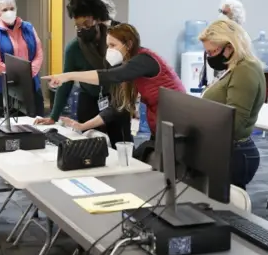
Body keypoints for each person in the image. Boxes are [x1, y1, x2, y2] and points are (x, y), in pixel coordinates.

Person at [42, 23, 186, 161]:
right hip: (161, 130)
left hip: (176, 128)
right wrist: (82, 126)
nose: (109, 50)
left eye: (113, 45)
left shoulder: (144, 60)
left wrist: (68, 76)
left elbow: (109, 75)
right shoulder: (131, 67)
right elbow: (117, 107)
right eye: (108, 45)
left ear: (128, 45)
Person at [34, 0, 132, 146]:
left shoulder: (115, 39)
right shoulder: (74, 49)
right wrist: (53, 116)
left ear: (98, 19)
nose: (82, 29)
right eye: (78, 26)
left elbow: (130, 67)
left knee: (121, 143)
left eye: (87, 24)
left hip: (116, 98)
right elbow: (65, 82)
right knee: (89, 145)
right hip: (89, 99)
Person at [198, 19, 265, 189]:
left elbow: (235, 122)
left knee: (225, 210)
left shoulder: (245, 70)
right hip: (223, 148)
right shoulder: (234, 67)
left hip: (234, 153)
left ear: (230, 46)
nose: (210, 57)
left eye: (213, 52)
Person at [0, 0, 44, 116]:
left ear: (16, 9)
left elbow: (39, 52)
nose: (9, 12)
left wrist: (30, 72)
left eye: (12, 8)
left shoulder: (28, 27)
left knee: (35, 125)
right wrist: (19, 76)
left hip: (31, 85)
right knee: (5, 129)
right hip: (2, 89)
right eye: (5, 10)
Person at [200, 0, 252, 88]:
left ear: (235, 16)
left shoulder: (241, 38)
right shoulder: (218, 33)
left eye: (224, 13)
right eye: (220, 11)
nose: (221, 15)